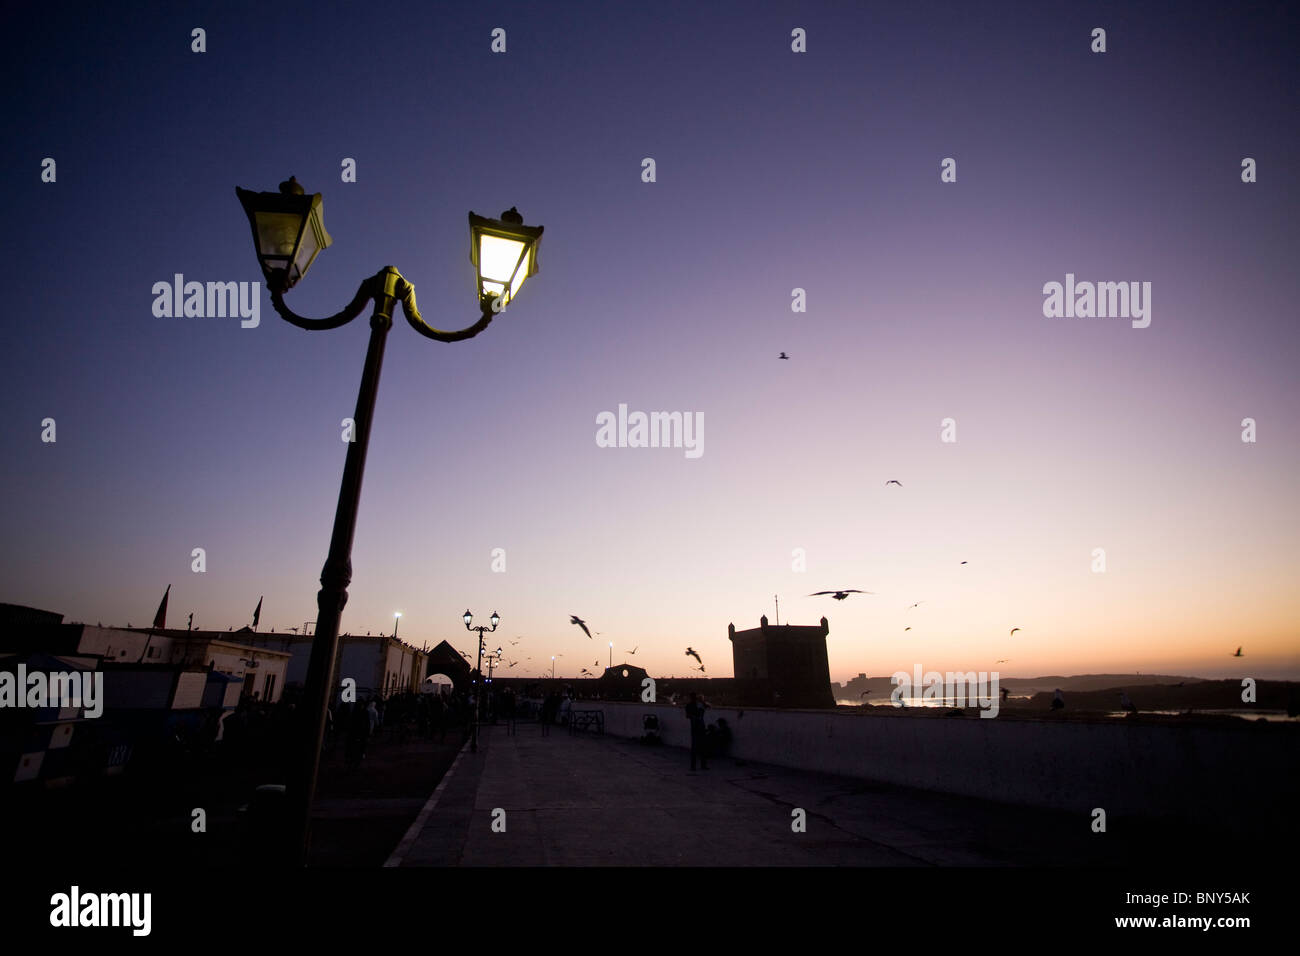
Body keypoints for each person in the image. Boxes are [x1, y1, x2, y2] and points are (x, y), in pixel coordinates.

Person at [685, 693, 709, 770]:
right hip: (698, 727)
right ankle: (699, 765)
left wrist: (702, 702)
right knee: (699, 747)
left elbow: (707, 706)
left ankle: (695, 766)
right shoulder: (693, 705)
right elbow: (688, 715)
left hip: (697, 727)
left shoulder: (695, 705)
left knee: (698, 747)